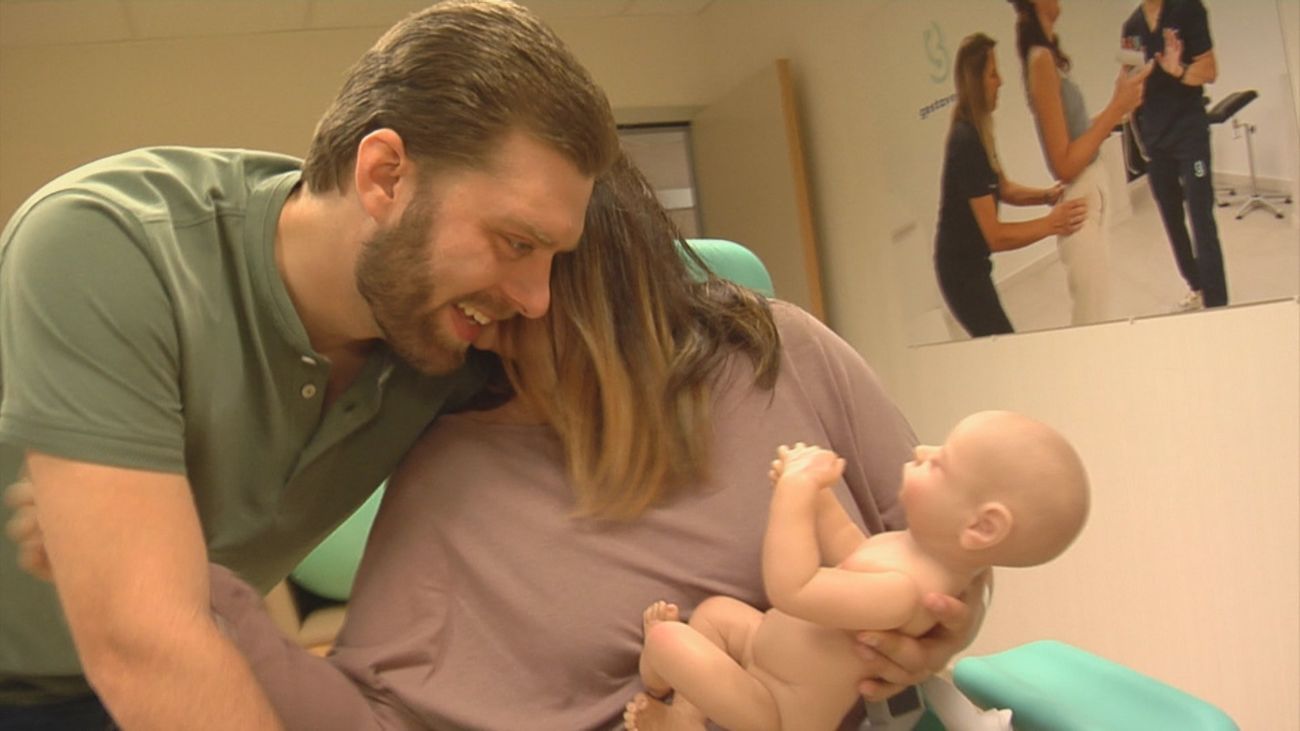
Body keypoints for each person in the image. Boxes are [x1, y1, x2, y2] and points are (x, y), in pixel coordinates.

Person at [200, 155, 989, 730]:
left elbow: (952, 545)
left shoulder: (781, 352)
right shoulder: (456, 466)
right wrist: (211, 614)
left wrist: (946, 621)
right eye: (490, 297)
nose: (503, 322)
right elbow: (386, 705)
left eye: (540, 275)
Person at [0, 1, 620, 728]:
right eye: (515, 241)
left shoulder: (452, 335)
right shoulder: (110, 243)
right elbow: (146, 643)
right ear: (385, 174)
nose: (537, 299)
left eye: (554, 258)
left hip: (175, 667)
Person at [625, 413, 1089, 731]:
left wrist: (794, 493)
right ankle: (685, 717)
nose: (922, 450)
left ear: (981, 527)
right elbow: (852, 551)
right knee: (716, 614)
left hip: (776, 707)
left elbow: (794, 588)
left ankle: (658, 676)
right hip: (762, 649)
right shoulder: (910, 557)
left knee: (670, 640)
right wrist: (823, 496)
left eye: (940, 462)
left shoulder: (904, 596)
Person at [1007, 0, 1153, 326]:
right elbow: (1063, 164)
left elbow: (1077, 136)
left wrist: (1120, 105)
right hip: (1081, 200)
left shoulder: (1046, 57)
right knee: (1092, 322)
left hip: (1093, 190)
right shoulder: (1040, 60)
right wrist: (1117, 108)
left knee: (1098, 312)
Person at [935, 33, 1088, 338]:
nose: (1001, 81)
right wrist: (1052, 223)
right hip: (960, 273)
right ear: (975, 82)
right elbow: (996, 236)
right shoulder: (966, 141)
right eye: (993, 74)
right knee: (1002, 341)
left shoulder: (979, 131)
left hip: (974, 265)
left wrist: (1045, 196)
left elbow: (1002, 188)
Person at [1121, 0, 1226, 311]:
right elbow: (1129, 77)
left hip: (1189, 133)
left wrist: (1177, 69)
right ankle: (1196, 285)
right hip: (1156, 139)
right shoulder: (1131, 26)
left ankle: (1218, 304)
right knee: (1171, 219)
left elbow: (1210, 70)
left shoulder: (1189, 9)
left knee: (1200, 215)